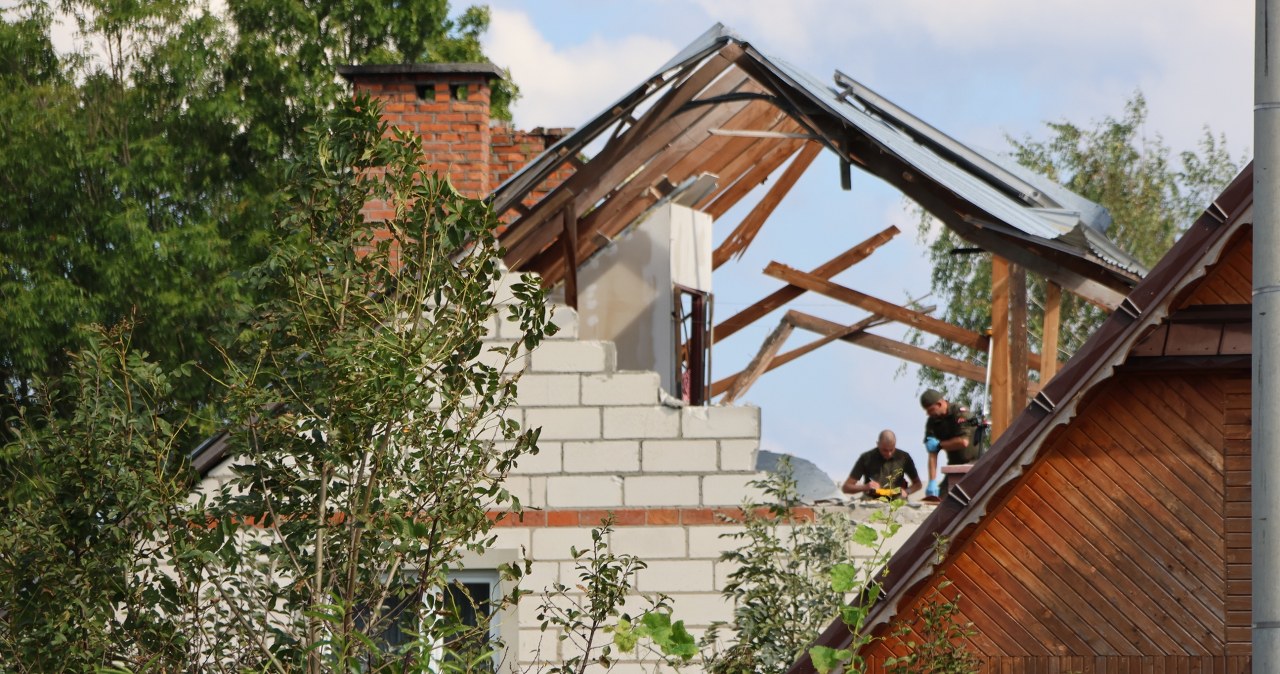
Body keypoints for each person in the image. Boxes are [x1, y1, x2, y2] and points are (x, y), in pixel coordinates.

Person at [920, 388, 980, 501]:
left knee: (972, 500)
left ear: (939, 403)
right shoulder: (932, 422)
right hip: (954, 466)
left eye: (930, 409)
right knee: (940, 500)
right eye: (926, 410)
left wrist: (939, 445)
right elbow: (932, 452)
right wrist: (932, 481)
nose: (928, 413)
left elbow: (963, 442)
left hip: (975, 464)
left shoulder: (960, 412)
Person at [841, 429, 921, 499]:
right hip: (871, 499)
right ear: (878, 444)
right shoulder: (866, 458)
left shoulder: (904, 457)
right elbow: (846, 488)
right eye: (885, 450)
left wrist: (907, 491)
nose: (889, 453)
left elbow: (918, 484)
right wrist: (865, 487)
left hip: (896, 499)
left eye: (891, 449)